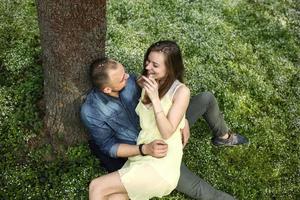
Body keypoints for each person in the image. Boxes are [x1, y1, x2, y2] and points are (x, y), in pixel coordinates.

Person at [81, 40, 249, 199]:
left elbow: (172, 100)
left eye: (125, 73)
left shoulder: (133, 81)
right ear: (108, 88)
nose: (129, 76)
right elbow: (109, 147)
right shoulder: (92, 111)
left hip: (166, 126)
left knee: (206, 98)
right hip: (153, 151)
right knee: (200, 190)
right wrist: (144, 149)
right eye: (122, 78)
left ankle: (224, 137)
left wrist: (182, 120)